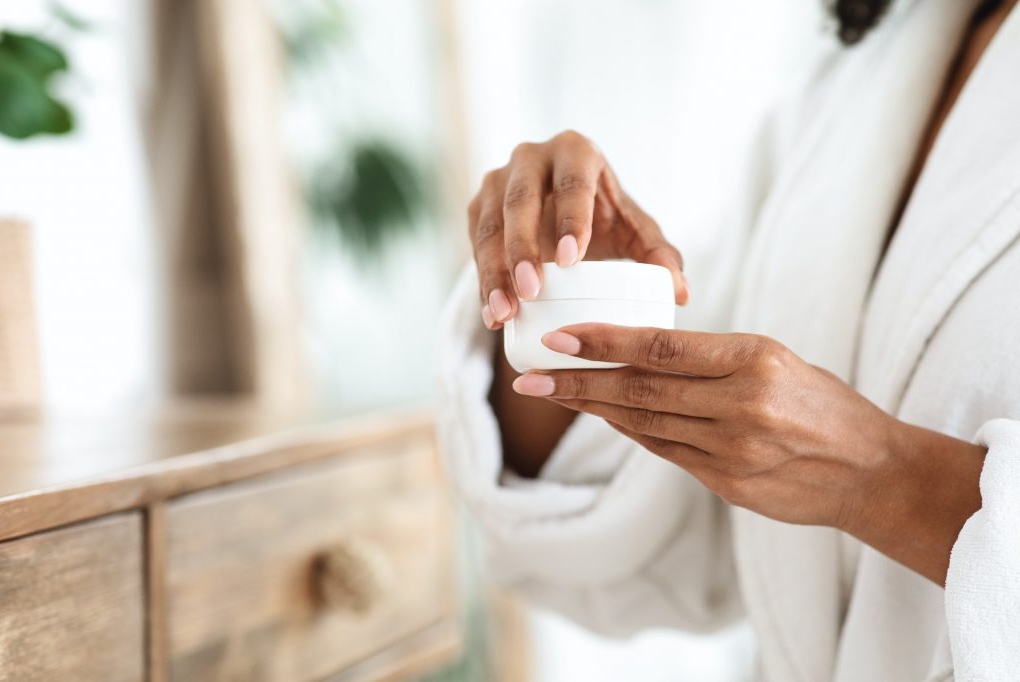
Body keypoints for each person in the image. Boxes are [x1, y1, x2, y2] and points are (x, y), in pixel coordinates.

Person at [436, 0, 1020, 679]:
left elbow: (824, 470)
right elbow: (692, 523)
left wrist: (883, 479)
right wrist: (570, 291)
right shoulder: (863, 75)